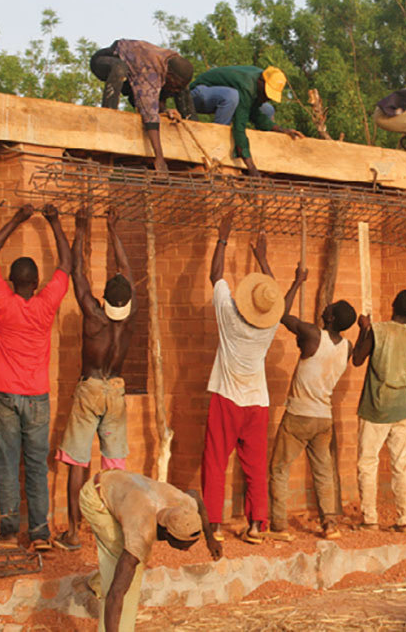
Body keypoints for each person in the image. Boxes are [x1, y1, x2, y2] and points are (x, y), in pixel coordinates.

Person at [0, 204, 71, 550]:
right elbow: (66, 265)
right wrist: (54, 222)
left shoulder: (1, 301)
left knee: (6, 462)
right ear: (35, 283)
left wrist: (16, 220)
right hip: (37, 397)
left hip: (3, 394)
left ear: (11, 282)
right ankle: (40, 534)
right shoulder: (47, 304)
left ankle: (7, 533)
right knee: (35, 464)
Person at [201, 214, 296, 544]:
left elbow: (215, 275)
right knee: (255, 466)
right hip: (257, 402)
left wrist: (222, 237)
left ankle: (214, 525)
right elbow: (277, 298)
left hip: (226, 398)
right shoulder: (269, 327)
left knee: (215, 462)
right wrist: (263, 260)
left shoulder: (228, 313)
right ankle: (256, 526)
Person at [53, 209, 137, 551]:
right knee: (114, 466)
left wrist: (80, 230)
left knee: (78, 460)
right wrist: (114, 229)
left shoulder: (93, 314)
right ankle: (114, 532)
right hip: (116, 391)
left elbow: (77, 273)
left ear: (106, 298)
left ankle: (73, 533)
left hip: (90, 389)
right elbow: (127, 271)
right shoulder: (130, 319)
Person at [80, 470, 221, 631]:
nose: (187, 550)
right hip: (96, 496)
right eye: (183, 545)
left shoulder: (185, 504)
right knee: (128, 576)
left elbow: (195, 496)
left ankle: (99, 581)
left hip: (120, 485)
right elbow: (117, 593)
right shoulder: (142, 531)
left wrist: (210, 539)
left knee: (128, 563)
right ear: (168, 533)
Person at [268, 294, 357, 541]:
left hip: (298, 414)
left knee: (279, 469)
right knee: (323, 471)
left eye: (330, 307)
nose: (326, 305)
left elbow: (282, 314)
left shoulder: (312, 334)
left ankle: (279, 525)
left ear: (330, 317)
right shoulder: (347, 346)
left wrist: (298, 282)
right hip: (323, 417)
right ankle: (329, 524)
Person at [351, 289, 406, 533]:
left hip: (376, 406)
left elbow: (358, 359)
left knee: (368, 463)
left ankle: (370, 518)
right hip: (403, 406)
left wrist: (363, 329)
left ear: (393, 303)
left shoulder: (379, 331)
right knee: (402, 463)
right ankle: (405, 519)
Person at [89, 39, 196, 173]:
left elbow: (158, 93)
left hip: (134, 76)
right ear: (169, 75)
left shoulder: (172, 63)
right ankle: (108, 116)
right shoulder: (148, 72)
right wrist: (159, 158)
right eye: (175, 84)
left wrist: (166, 111)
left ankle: (195, 145)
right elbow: (149, 114)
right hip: (106, 60)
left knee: (183, 90)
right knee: (119, 69)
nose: (174, 90)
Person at [189, 65, 304, 177]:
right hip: (197, 94)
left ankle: (262, 157)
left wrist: (282, 130)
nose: (266, 98)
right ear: (261, 82)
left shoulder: (257, 85)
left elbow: (256, 115)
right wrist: (251, 167)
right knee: (231, 97)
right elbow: (239, 126)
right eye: (266, 93)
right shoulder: (247, 86)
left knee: (267, 109)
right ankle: (215, 149)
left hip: (219, 96)